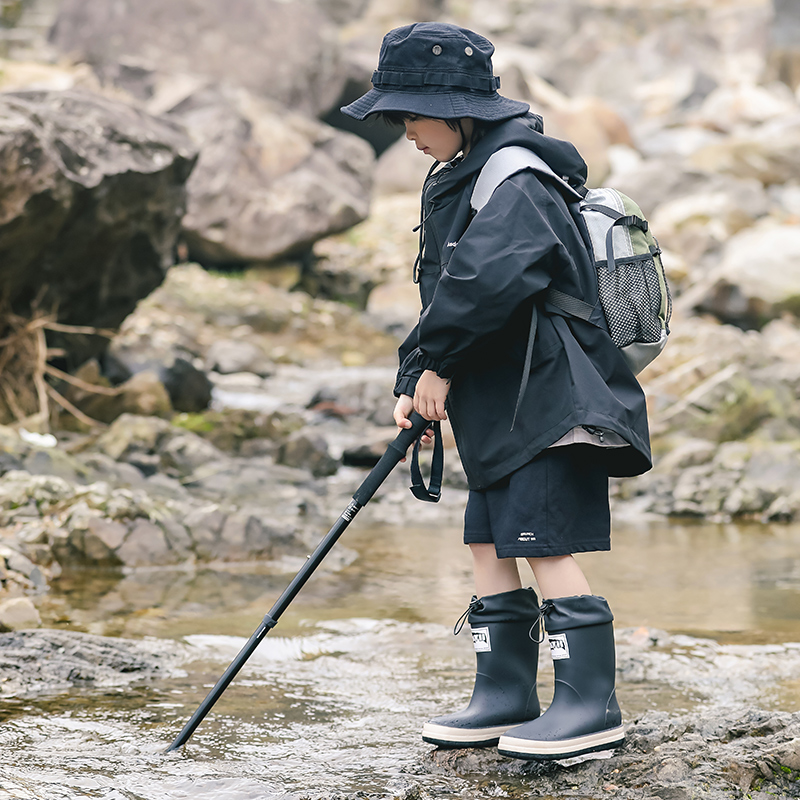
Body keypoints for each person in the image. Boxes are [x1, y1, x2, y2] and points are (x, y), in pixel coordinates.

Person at [340, 22, 651, 761]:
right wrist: (415, 378)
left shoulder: (516, 178)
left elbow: (488, 283)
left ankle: (589, 704)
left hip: (551, 400)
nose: (404, 132)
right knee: (487, 536)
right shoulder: (463, 170)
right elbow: (447, 289)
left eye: (410, 115)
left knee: (542, 541)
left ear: (455, 110)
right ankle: (505, 691)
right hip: (503, 397)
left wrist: (439, 363)